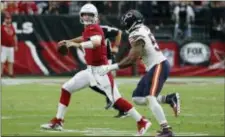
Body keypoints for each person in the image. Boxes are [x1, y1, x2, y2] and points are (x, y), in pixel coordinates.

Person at [40, 4, 151, 136]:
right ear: (81, 16)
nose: (86, 17)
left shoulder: (94, 28)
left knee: (116, 99)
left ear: (95, 17)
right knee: (66, 88)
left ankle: (142, 121)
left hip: (101, 70)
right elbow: (86, 38)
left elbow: (96, 41)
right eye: (84, 15)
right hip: (90, 70)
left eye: (90, 15)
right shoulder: (88, 28)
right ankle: (58, 121)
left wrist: (75, 44)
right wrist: (69, 41)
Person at [97, 10, 179, 137]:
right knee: (138, 98)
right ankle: (169, 98)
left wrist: (110, 67)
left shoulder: (136, 34)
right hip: (153, 67)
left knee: (150, 98)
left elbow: (132, 59)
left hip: (158, 65)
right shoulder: (143, 28)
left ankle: (166, 130)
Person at [1, 13, 18, 77]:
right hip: (3, 46)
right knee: (1, 60)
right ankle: (1, 73)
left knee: (11, 61)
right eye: (7, 19)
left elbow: (14, 36)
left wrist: (16, 45)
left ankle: (10, 73)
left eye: (9, 19)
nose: (8, 20)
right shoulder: (1, 27)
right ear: (4, 19)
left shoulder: (12, 27)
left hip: (11, 47)